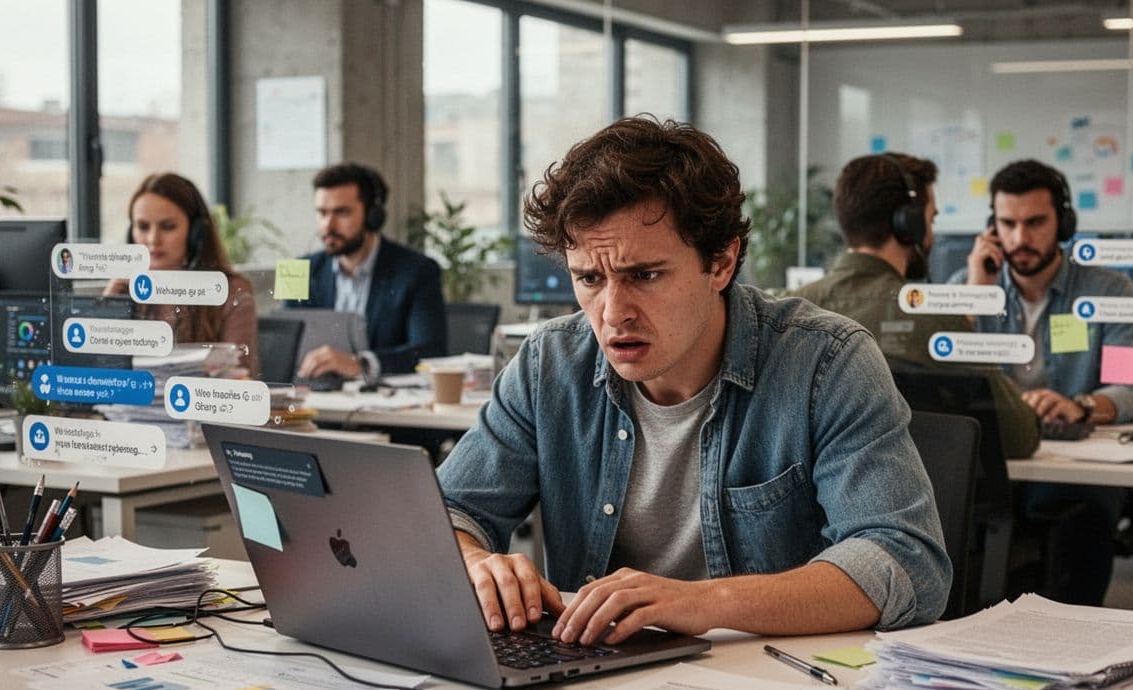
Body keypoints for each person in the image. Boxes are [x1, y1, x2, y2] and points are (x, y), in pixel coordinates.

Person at [436, 117, 950, 646]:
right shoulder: (550, 364)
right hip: (590, 680)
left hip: (776, 687)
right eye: (589, 279)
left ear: (721, 262)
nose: (613, 313)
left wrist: (703, 602)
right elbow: (449, 512)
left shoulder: (826, 363)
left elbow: (903, 558)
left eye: (645, 275)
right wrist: (476, 563)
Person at [954, 159, 1133, 605]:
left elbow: (1132, 384)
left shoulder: (1108, 292)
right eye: (1007, 224)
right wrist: (974, 295)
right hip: (997, 463)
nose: (1020, 239)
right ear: (992, 227)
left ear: (1062, 222)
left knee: (1077, 510)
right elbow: (948, 381)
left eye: (1036, 222)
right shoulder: (968, 286)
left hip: (1074, 465)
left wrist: (1081, 405)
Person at [790, 153, 1039, 459]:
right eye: (931, 219)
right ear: (909, 224)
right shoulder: (935, 319)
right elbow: (1020, 437)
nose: (931, 233)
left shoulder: (792, 313)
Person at [285, 163, 447, 381]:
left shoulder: (419, 271)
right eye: (322, 213)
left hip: (380, 406)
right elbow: (284, 347)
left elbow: (431, 352)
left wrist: (361, 364)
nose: (328, 225)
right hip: (311, 400)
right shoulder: (295, 271)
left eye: (341, 213)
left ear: (373, 216)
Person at [108, 173, 259, 376]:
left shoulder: (231, 291)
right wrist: (107, 308)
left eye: (168, 227)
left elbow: (239, 377)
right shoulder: (127, 292)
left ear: (196, 234)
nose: (153, 239)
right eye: (143, 227)